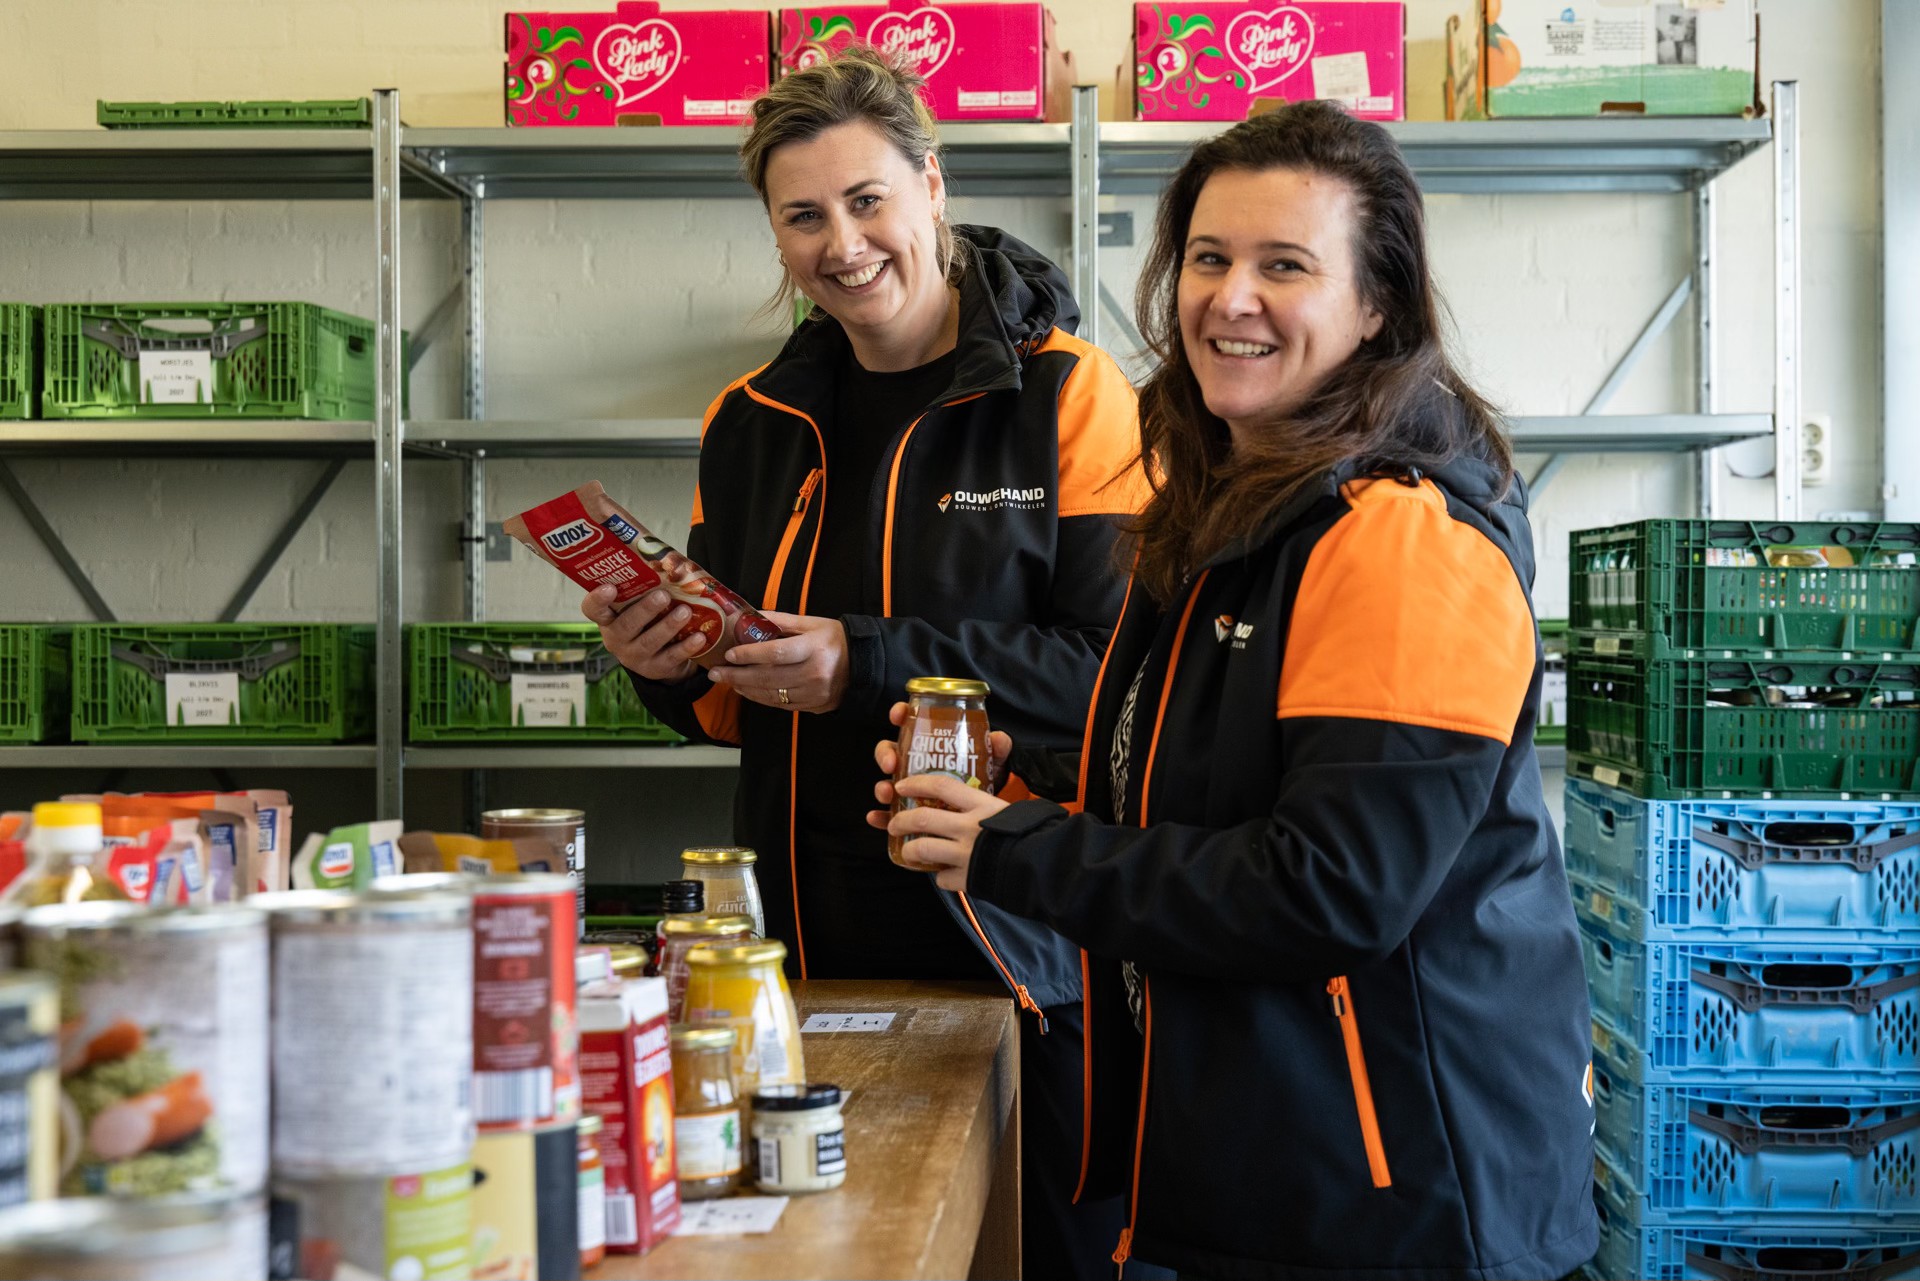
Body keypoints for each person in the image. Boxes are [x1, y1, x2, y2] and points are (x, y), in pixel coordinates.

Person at [876, 101, 1600, 1280]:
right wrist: (1021, 790)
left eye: (1285, 266)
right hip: (1278, 1171)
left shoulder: (1399, 542)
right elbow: (1209, 784)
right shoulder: (1241, 508)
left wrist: (1020, 852)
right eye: (1208, 259)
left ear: (1376, 309)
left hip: (1405, 1200)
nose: (1231, 298)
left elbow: (1327, 892)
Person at [586, 47, 1145, 1279]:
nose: (842, 243)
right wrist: (661, 666)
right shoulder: (751, 421)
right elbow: (727, 703)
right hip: (800, 957)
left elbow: (1117, 679)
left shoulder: (1071, 395)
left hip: (1020, 950)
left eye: (868, 199)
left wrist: (869, 662)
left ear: (933, 187)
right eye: (803, 216)